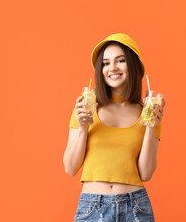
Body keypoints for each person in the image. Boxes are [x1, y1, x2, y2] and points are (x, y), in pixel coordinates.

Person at [63, 33, 166, 221]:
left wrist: (151, 127)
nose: (112, 68)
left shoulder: (148, 113)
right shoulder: (86, 108)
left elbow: (146, 173)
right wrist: (83, 128)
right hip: (93, 207)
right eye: (106, 63)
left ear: (133, 66)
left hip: (136, 207)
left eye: (120, 61)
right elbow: (70, 167)